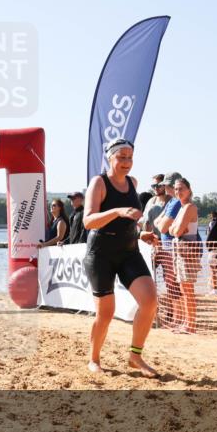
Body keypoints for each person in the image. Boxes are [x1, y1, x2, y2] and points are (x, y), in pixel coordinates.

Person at [81, 138, 160, 377]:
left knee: (150, 301)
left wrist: (141, 233)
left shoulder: (133, 183)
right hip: (101, 253)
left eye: (130, 157)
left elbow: (129, 221)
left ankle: (135, 356)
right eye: (121, 157)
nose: (126, 162)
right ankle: (94, 359)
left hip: (128, 250)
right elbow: (88, 221)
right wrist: (116, 211)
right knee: (105, 313)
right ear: (109, 157)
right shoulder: (99, 183)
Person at [168, 177, 200, 333]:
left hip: (187, 252)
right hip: (180, 250)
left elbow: (177, 230)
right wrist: (176, 229)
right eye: (175, 189)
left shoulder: (189, 207)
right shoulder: (181, 208)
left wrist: (176, 229)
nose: (177, 191)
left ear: (189, 190)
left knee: (188, 289)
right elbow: (170, 230)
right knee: (183, 287)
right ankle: (188, 322)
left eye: (181, 188)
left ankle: (191, 324)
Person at [153, 172, 185, 328]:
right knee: (171, 283)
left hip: (173, 248)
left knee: (175, 284)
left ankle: (179, 318)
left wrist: (161, 223)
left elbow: (162, 225)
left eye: (164, 185)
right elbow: (156, 221)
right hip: (167, 247)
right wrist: (161, 223)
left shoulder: (176, 202)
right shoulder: (171, 201)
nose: (163, 187)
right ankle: (177, 318)